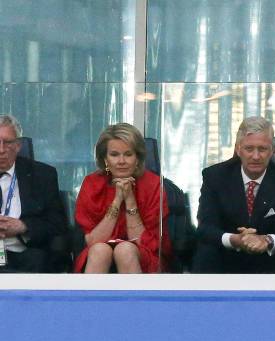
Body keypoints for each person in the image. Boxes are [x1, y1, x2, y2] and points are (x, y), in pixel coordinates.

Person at [192, 116, 275, 273]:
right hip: (228, 255)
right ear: (238, 149)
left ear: (272, 151)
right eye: (249, 149)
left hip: (272, 257)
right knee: (206, 252)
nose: (256, 156)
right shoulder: (215, 176)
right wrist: (235, 240)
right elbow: (205, 228)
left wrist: (266, 240)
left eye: (262, 149)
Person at [74, 123, 172, 273]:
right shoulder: (92, 183)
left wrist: (129, 198)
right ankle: (90, 297)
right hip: (98, 252)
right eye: (114, 155)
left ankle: (136, 297)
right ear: (105, 159)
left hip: (144, 255)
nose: (121, 161)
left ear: (137, 158)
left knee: (125, 250)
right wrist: (118, 199)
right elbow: (93, 241)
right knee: (100, 250)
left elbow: (144, 242)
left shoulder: (153, 185)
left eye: (128, 154)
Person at [0, 114, 67, 273]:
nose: (1, 150)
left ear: (18, 145)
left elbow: (57, 224)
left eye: (8, 142)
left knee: (39, 261)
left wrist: (23, 226)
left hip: (27, 255)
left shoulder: (42, 175)